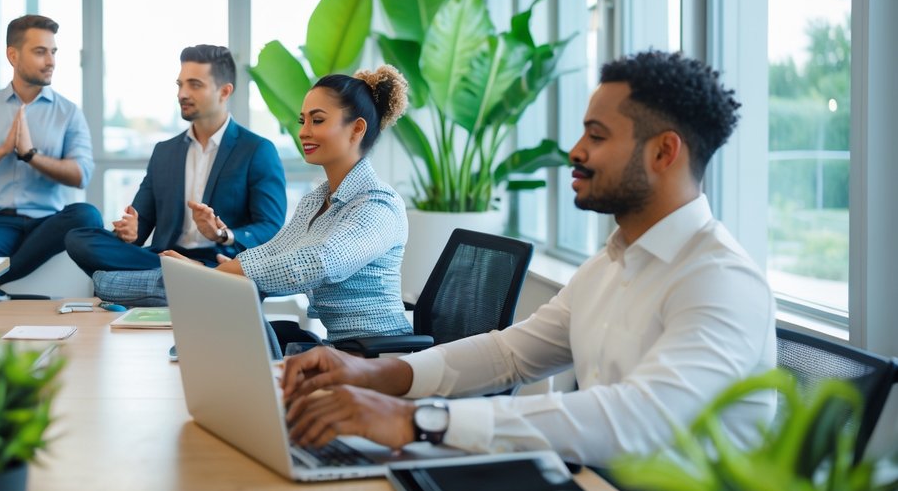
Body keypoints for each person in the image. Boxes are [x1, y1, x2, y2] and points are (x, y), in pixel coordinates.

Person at [281, 51, 776, 467]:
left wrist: (417, 420)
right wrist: (376, 374)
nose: (575, 151)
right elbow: (509, 354)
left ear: (664, 152)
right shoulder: (607, 266)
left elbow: (636, 419)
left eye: (597, 137)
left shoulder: (719, 280)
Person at [167, 65, 413, 343]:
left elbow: (316, 263)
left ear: (356, 128)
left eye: (317, 121)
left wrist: (210, 275)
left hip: (380, 357)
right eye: (302, 121)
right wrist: (223, 270)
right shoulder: (317, 200)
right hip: (340, 351)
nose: (304, 132)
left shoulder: (379, 206)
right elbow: (276, 250)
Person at [63, 45, 286, 304]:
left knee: (107, 279)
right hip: (163, 257)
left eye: (195, 85)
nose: (183, 94)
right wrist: (130, 231)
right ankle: (177, 280)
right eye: (180, 84)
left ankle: (159, 283)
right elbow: (139, 226)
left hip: (217, 261)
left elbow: (270, 228)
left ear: (224, 91)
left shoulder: (257, 150)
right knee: (78, 238)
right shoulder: (164, 152)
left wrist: (222, 234)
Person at [0, 14, 102, 283]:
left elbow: (82, 174)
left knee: (87, 215)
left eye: (53, 52)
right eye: (40, 52)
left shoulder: (68, 112)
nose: (51, 61)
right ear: (13, 56)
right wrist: (3, 150)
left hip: (49, 222)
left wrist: (30, 155)